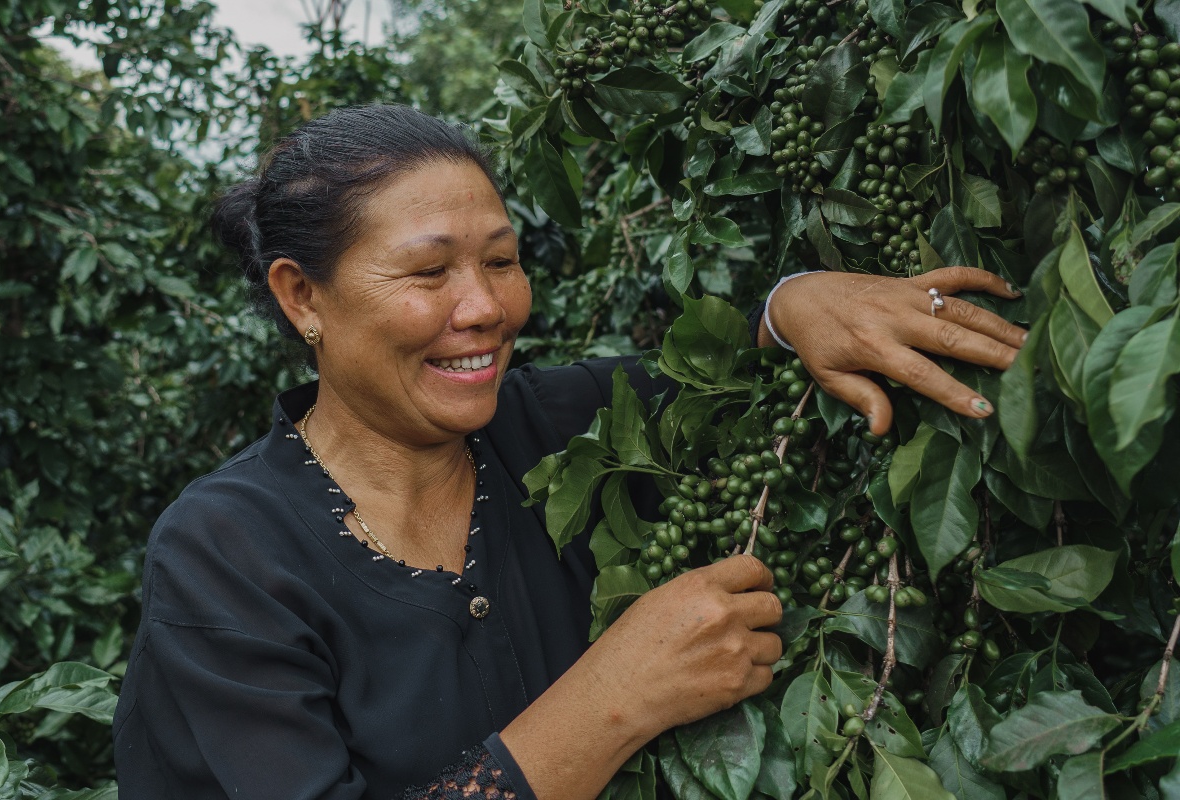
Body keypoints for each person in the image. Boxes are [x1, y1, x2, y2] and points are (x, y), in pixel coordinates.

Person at [111, 104, 1026, 800]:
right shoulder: (225, 554)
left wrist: (799, 302)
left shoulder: (554, 423)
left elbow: (721, 361)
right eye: (429, 273)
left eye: (502, 262)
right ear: (302, 296)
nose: (485, 308)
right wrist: (615, 698)